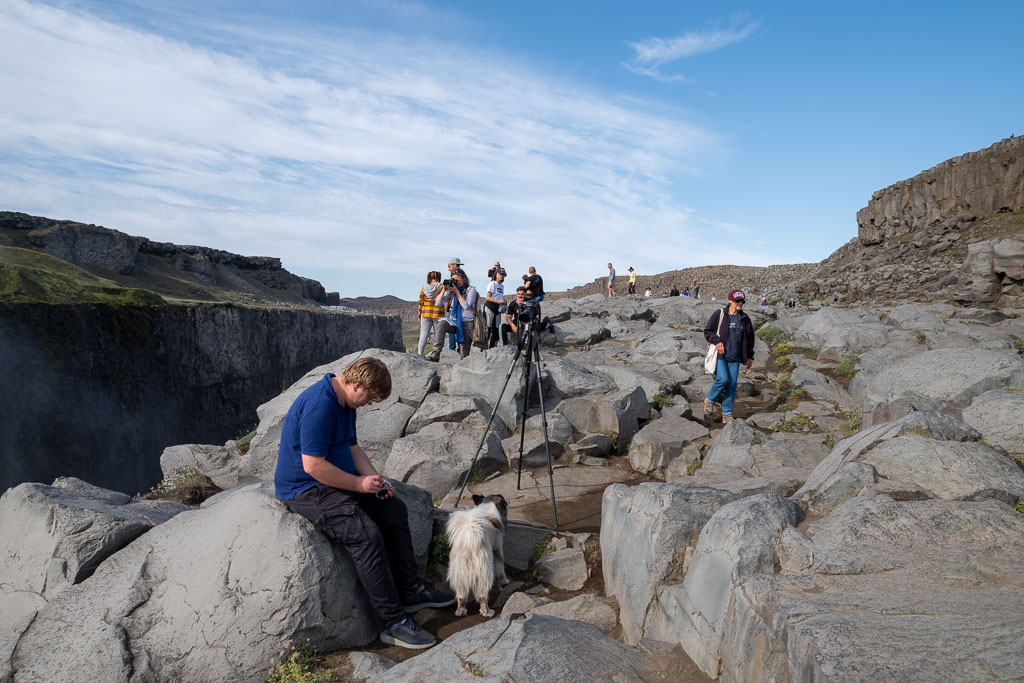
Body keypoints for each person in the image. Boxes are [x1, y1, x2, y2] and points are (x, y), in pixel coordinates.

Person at [274, 357, 453, 650]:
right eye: (369, 397)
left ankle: (410, 591)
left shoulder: (344, 402)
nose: (369, 403)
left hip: (335, 480)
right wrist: (358, 484)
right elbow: (313, 466)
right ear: (355, 384)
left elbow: (351, 447)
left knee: (394, 509)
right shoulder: (321, 405)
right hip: (306, 489)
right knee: (365, 535)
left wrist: (374, 479)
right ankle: (393, 623)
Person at [703, 290, 755, 424]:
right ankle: (709, 400)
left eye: (742, 301)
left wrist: (750, 357)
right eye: (738, 301)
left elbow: (750, 339)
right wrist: (717, 341)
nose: (740, 304)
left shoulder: (744, 319)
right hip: (721, 355)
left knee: (731, 386)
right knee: (722, 379)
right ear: (730, 301)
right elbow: (708, 332)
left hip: (736, 357)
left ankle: (727, 414)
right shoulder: (719, 314)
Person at [428, 268, 478, 361]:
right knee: (442, 324)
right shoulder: (451, 291)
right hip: (454, 322)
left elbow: (466, 306)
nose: (456, 282)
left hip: (467, 324)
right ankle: (436, 351)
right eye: (453, 279)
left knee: (464, 354)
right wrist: (444, 289)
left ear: (464, 279)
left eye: (457, 279)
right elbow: (438, 303)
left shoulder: (470, 290)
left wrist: (457, 292)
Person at [416, 271, 444, 356]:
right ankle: (436, 354)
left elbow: (421, 302)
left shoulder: (424, 288)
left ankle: (419, 354)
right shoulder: (441, 287)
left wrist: (419, 314)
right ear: (438, 277)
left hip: (425, 313)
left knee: (423, 335)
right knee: (437, 336)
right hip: (438, 314)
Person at [483, 267, 506, 349]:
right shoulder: (492, 284)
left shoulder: (502, 286)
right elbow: (488, 297)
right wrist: (498, 302)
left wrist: (502, 302)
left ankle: (492, 349)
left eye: (503, 274)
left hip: (498, 309)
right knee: (488, 329)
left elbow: (498, 296)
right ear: (496, 274)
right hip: (490, 307)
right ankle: (484, 348)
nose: (501, 276)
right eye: (500, 274)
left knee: (496, 330)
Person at [445, 258, 464, 352]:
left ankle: (456, 348)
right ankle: (452, 348)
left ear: (454, 265)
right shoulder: (451, 279)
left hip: (459, 309)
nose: (448, 269)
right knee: (451, 326)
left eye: (449, 266)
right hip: (452, 308)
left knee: (456, 326)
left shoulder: (459, 278)